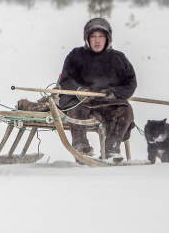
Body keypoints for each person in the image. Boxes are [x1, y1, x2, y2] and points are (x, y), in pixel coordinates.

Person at [58, 17, 137, 161]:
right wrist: (79, 90)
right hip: (81, 102)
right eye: (93, 36)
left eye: (101, 36)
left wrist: (114, 93)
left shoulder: (119, 58)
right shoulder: (76, 56)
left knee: (125, 111)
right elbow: (66, 80)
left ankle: (112, 149)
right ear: (87, 38)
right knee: (76, 110)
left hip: (109, 102)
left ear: (108, 38)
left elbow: (130, 83)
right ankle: (81, 146)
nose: (97, 40)